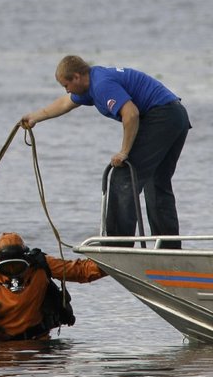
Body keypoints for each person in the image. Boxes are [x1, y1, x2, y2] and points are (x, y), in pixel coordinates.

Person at [21, 55, 191, 248]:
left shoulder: (101, 85)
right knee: (156, 183)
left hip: (162, 117)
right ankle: (168, 248)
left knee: (124, 176)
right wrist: (34, 117)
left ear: (76, 77)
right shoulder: (92, 82)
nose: (66, 90)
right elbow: (65, 103)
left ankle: (117, 244)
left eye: (66, 85)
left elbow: (131, 114)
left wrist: (124, 152)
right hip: (177, 116)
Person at [0, 233, 106, 342]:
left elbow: (80, 271)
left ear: (26, 260)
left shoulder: (41, 265)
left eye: (17, 267)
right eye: (7, 268)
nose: (13, 274)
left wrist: (116, 262)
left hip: (38, 343)